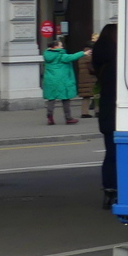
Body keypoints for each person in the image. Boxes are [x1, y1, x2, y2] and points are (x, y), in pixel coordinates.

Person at [91, 23, 118, 206]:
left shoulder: (100, 60)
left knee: (110, 154)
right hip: (119, 113)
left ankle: (109, 191)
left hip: (106, 112)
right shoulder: (118, 63)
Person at [41, 38, 89, 124]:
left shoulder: (47, 55)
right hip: (62, 80)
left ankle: (50, 116)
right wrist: (83, 53)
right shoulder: (60, 55)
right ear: (55, 47)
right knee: (65, 98)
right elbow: (71, 57)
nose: (62, 47)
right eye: (60, 45)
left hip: (50, 80)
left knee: (51, 98)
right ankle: (68, 118)